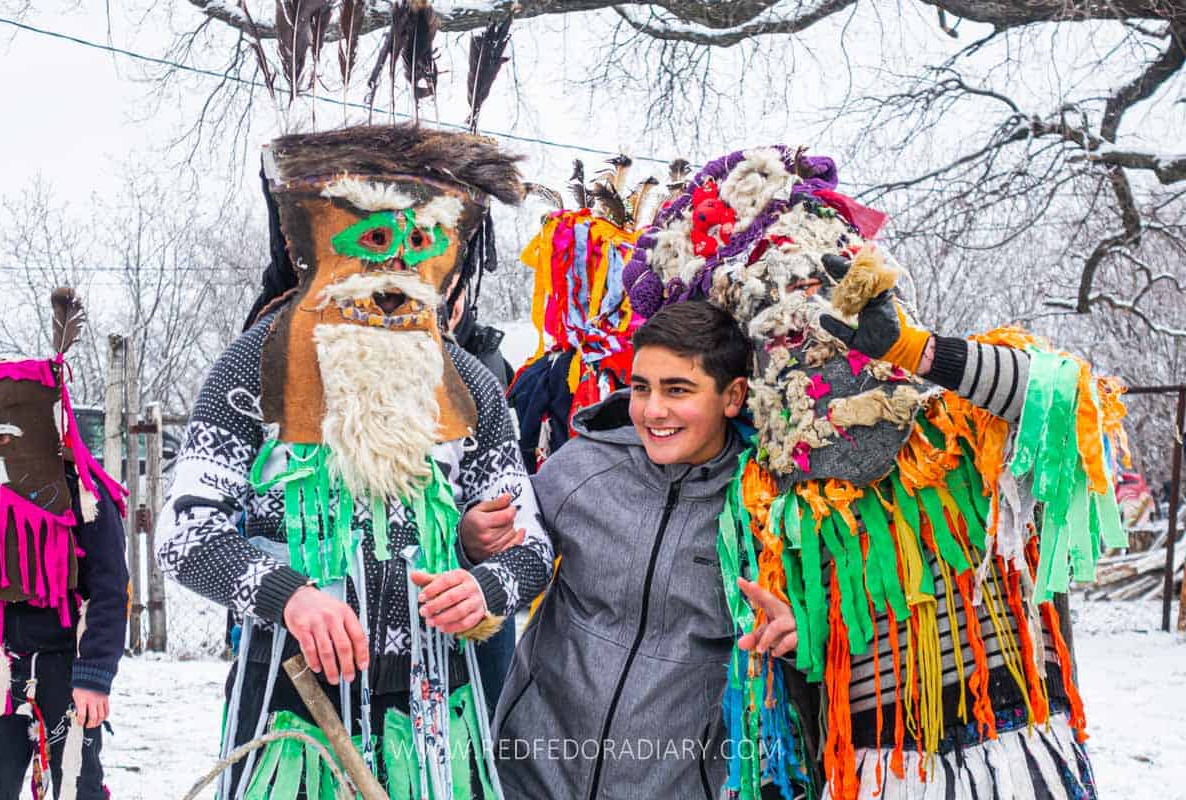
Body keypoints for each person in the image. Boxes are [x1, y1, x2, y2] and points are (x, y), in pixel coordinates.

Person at [621, 145, 1124, 799]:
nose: (798, 308)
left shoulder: (956, 414)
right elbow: (801, 672)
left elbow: (1073, 406)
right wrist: (808, 637)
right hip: (882, 771)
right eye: (764, 290)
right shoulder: (765, 489)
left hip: (1020, 758)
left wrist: (916, 352)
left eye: (811, 278)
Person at [156, 124, 553, 799]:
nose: (393, 275)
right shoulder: (255, 369)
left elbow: (534, 546)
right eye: (371, 242)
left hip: (438, 724)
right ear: (313, 244)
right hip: (292, 714)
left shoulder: (470, 384)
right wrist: (292, 597)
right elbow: (186, 534)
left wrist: (486, 586)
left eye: (418, 246)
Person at [489, 300, 811, 798]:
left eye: (678, 390)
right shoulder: (582, 467)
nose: (653, 410)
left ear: (733, 396)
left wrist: (802, 637)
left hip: (676, 783)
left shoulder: (765, 507)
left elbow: (820, 639)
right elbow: (511, 547)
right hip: (530, 776)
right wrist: (475, 539)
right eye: (642, 388)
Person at [0, 289, 128, 800]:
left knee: (76, 785)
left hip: (65, 666)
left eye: (5, 437)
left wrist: (94, 675)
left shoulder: (83, 497)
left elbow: (110, 590)